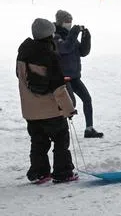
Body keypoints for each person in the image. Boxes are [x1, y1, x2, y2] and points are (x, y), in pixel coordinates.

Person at [17, 18, 78, 183]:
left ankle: (40, 173)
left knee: (38, 142)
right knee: (60, 140)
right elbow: (59, 88)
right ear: (48, 35)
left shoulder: (23, 54)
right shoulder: (50, 56)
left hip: (30, 112)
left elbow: (22, 80)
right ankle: (63, 172)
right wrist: (68, 109)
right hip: (51, 111)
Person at [52, 9, 101, 138]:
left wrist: (86, 37)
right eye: (67, 21)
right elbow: (65, 48)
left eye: (70, 21)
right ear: (60, 22)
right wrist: (73, 33)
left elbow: (83, 52)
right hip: (63, 78)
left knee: (87, 99)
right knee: (69, 104)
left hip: (74, 76)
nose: (69, 23)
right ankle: (60, 131)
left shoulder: (70, 35)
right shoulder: (55, 36)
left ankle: (89, 129)